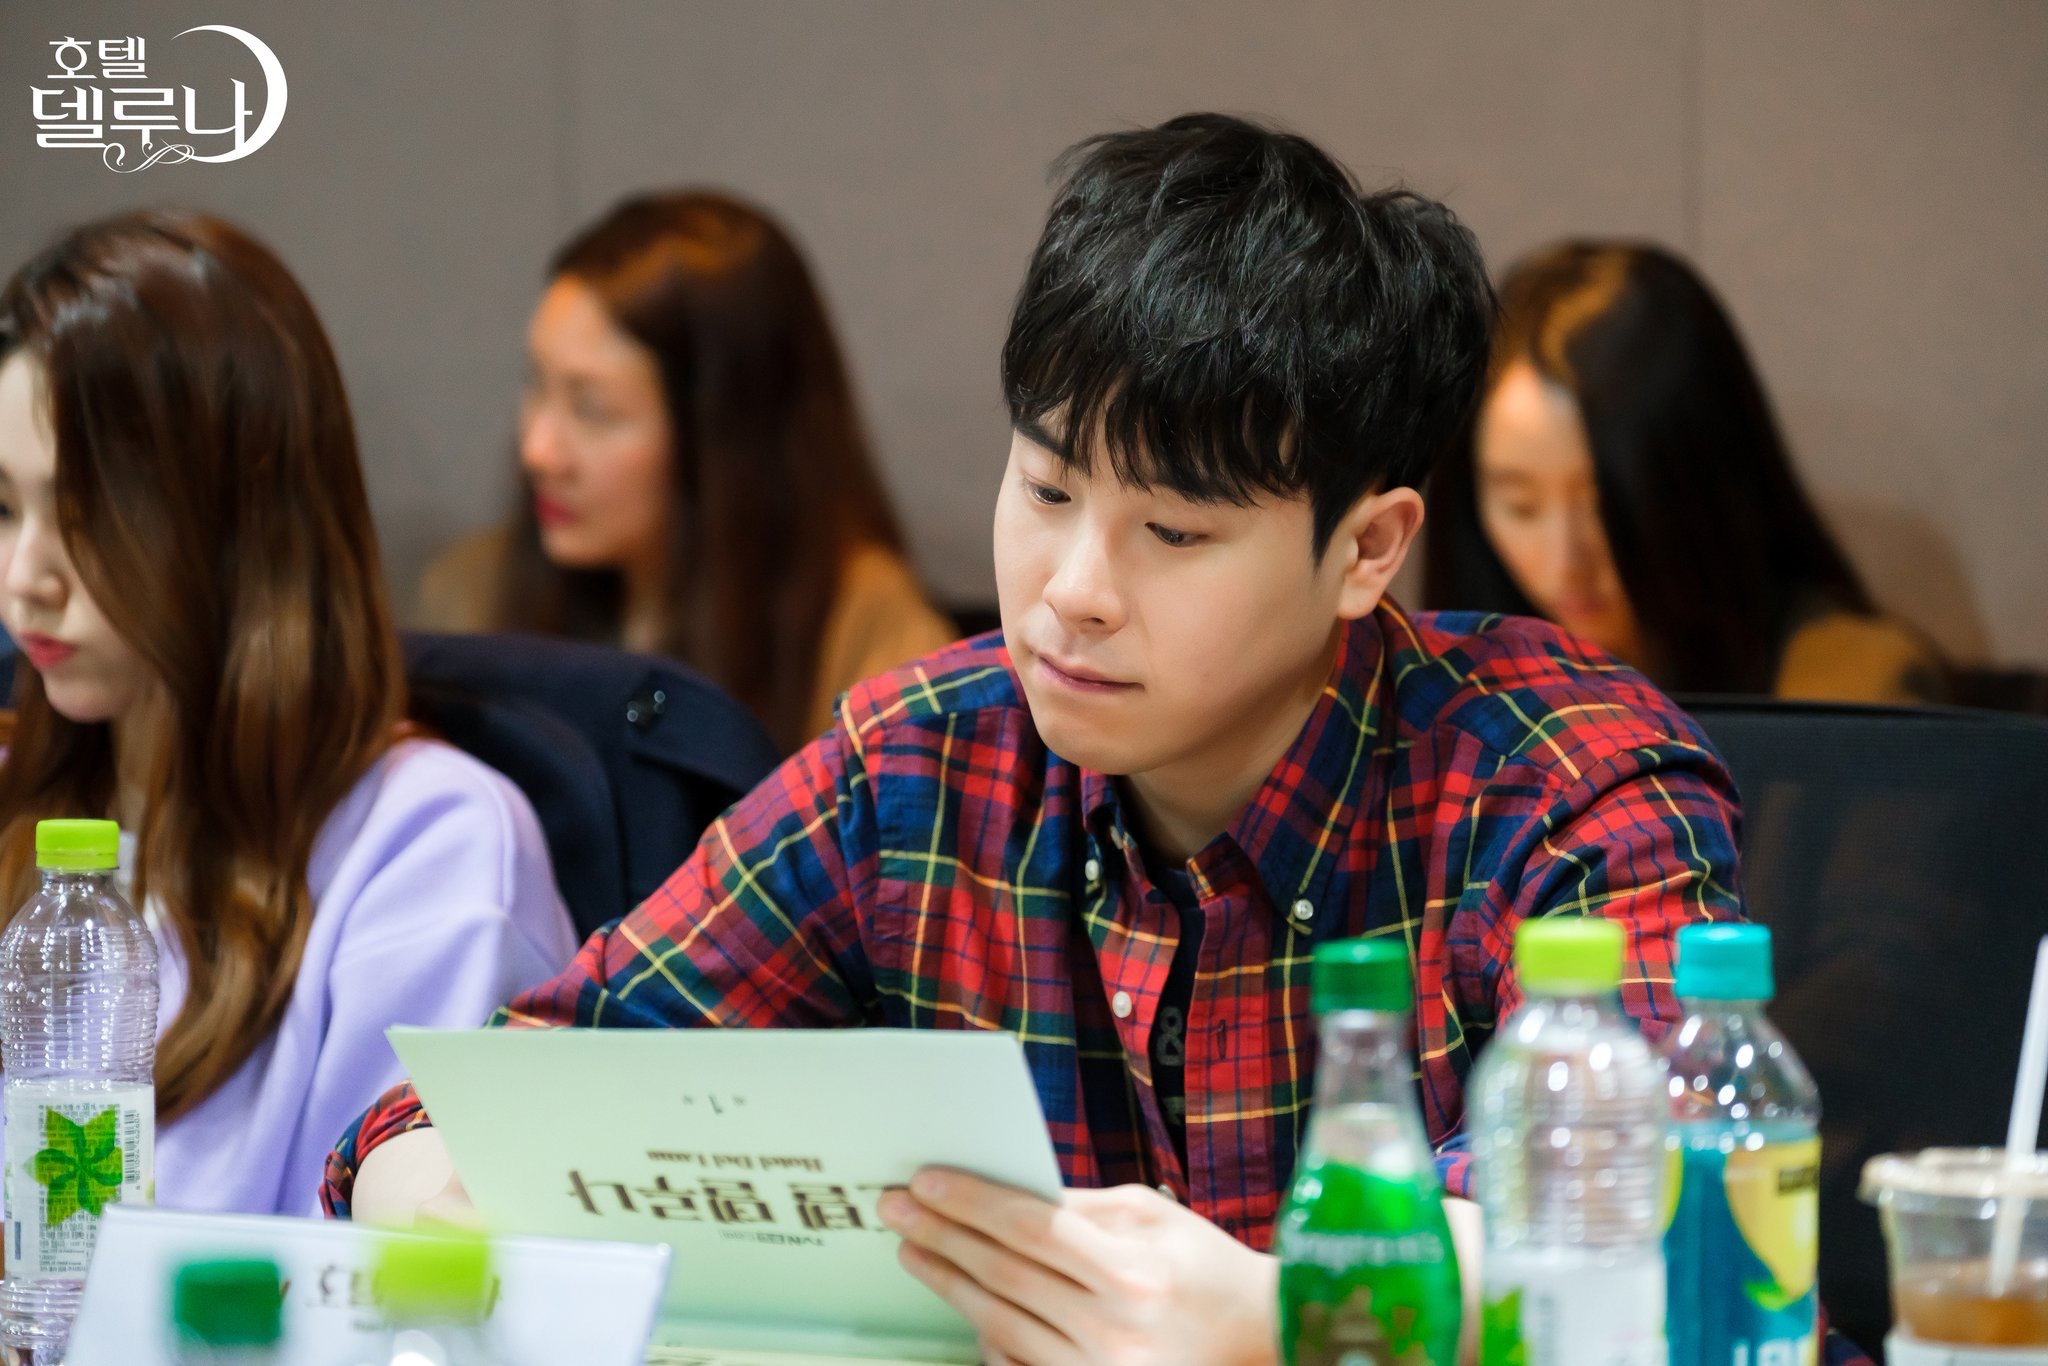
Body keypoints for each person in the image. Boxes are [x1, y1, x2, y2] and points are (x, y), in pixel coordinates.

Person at [329, 119, 1872, 1365]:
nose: (1072, 590)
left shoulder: (1557, 777)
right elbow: (474, 1095)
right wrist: (456, 1204)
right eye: (1049, 489)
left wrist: (1279, 1313)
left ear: (1367, 549)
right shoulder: (926, 762)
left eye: (1173, 531)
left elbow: (1684, 1226)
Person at [0, 211, 579, 1216]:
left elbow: (401, 1278)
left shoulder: (428, 846)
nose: (24, 579)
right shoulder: (24, 800)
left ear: (240, 521)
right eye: (4, 508)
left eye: (87, 517)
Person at [415, 191, 956, 753]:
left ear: (726, 438)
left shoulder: (876, 647)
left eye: (592, 410)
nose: (538, 450)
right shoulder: (468, 601)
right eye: (535, 385)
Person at [1425, 239, 1946, 703]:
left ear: (1700, 484)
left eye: (1604, 507)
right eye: (1521, 507)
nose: (1564, 564)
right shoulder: (1456, 692)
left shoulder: (1849, 695)